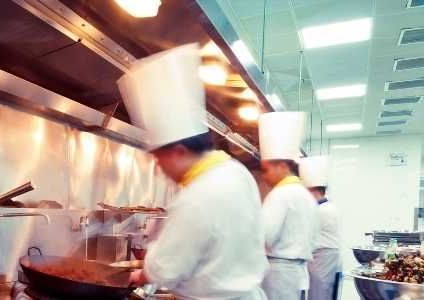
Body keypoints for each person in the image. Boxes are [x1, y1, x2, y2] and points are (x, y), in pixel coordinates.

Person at [121, 43, 268, 300]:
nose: (158, 167)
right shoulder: (235, 172)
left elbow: (165, 269)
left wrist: (143, 273)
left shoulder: (198, 196)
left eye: (158, 157)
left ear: (178, 151)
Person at [258, 112, 319, 300]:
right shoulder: (305, 195)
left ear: (283, 166)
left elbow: (264, 236)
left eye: (266, 170)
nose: (264, 176)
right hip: (297, 273)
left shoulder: (280, 194)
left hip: (279, 274)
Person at [300, 156, 342, 300]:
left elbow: (304, 237)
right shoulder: (327, 207)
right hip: (323, 258)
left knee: (319, 295)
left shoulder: (322, 211)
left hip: (322, 259)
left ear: (313, 191)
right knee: (320, 293)